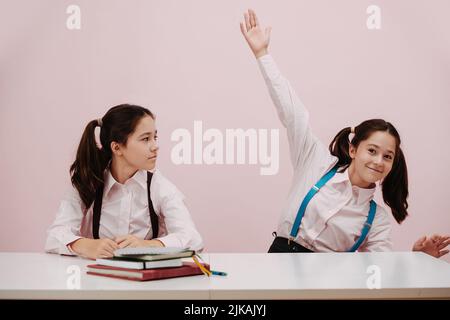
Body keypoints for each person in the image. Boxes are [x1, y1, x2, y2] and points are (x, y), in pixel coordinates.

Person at [240, 9, 449, 257]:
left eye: (387, 156)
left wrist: (417, 259)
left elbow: (380, 272)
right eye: (372, 150)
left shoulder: (376, 219)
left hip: (326, 288)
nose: (378, 161)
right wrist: (262, 54)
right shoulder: (316, 162)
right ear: (353, 149)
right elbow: (292, 110)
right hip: (277, 264)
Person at [45, 104, 203, 260]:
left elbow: (193, 239)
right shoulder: (88, 182)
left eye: (155, 137)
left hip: (145, 282)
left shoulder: (159, 186)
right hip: (94, 279)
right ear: (117, 148)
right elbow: (54, 237)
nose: (155, 146)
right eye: (145, 139)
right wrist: (86, 245)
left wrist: (149, 245)